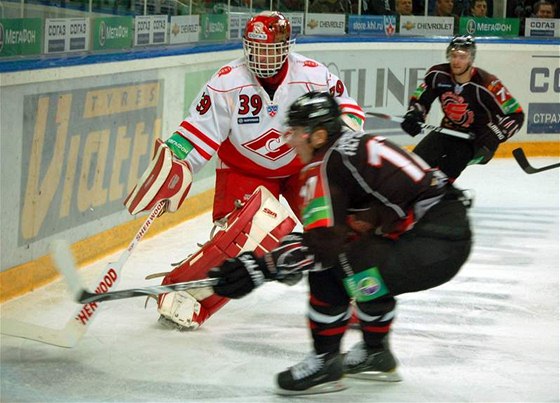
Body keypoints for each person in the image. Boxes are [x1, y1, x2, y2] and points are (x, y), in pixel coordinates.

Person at [208, 91, 472, 396]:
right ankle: (376, 353)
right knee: (360, 257)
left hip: (433, 242)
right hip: (444, 234)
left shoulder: (323, 165)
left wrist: (259, 268)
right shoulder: (348, 147)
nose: (288, 140)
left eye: (294, 132)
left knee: (333, 266)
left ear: (318, 135)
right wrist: (278, 261)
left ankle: (325, 362)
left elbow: (324, 247)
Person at [124, 11, 364, 331]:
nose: (263, 56)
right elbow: (196, 131)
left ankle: (359, 298)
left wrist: (343, 133)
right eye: (256, 48)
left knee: (333, 228)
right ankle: (188, 296)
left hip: (300, 168)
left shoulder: (312, 74)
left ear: (286, 47)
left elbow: (348, 109)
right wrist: (177, 162)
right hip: (243, 169)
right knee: (244, 239)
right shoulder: (226, 81)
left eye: (270, 49)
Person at [401, 35, 524, 182]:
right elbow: (421, 99)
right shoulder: (437, 76)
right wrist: (415, 115)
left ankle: (443, 194)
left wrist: (495, 134)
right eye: (453, 55)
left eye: (462, 57)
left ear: (471, 59)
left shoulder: (488, 84)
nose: (456, 61)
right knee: (414, 167)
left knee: (443, 174)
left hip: (477, 141)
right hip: (447, 131)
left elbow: (516, 115)